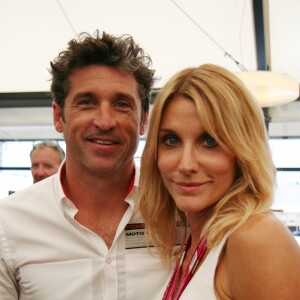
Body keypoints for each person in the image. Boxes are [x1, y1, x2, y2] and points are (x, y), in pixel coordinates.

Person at [0, 30, 171, 299]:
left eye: (122, 104)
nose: (105, 121)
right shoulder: (8, 223)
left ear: (143, 120)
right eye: (87, 102)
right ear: (59, 117)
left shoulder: (179, 211)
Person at [138, 64, 300, 299]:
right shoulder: (192, 240)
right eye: (171, 140)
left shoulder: (256, 236)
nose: (186, 165)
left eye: (210, 141)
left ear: (243, 150)